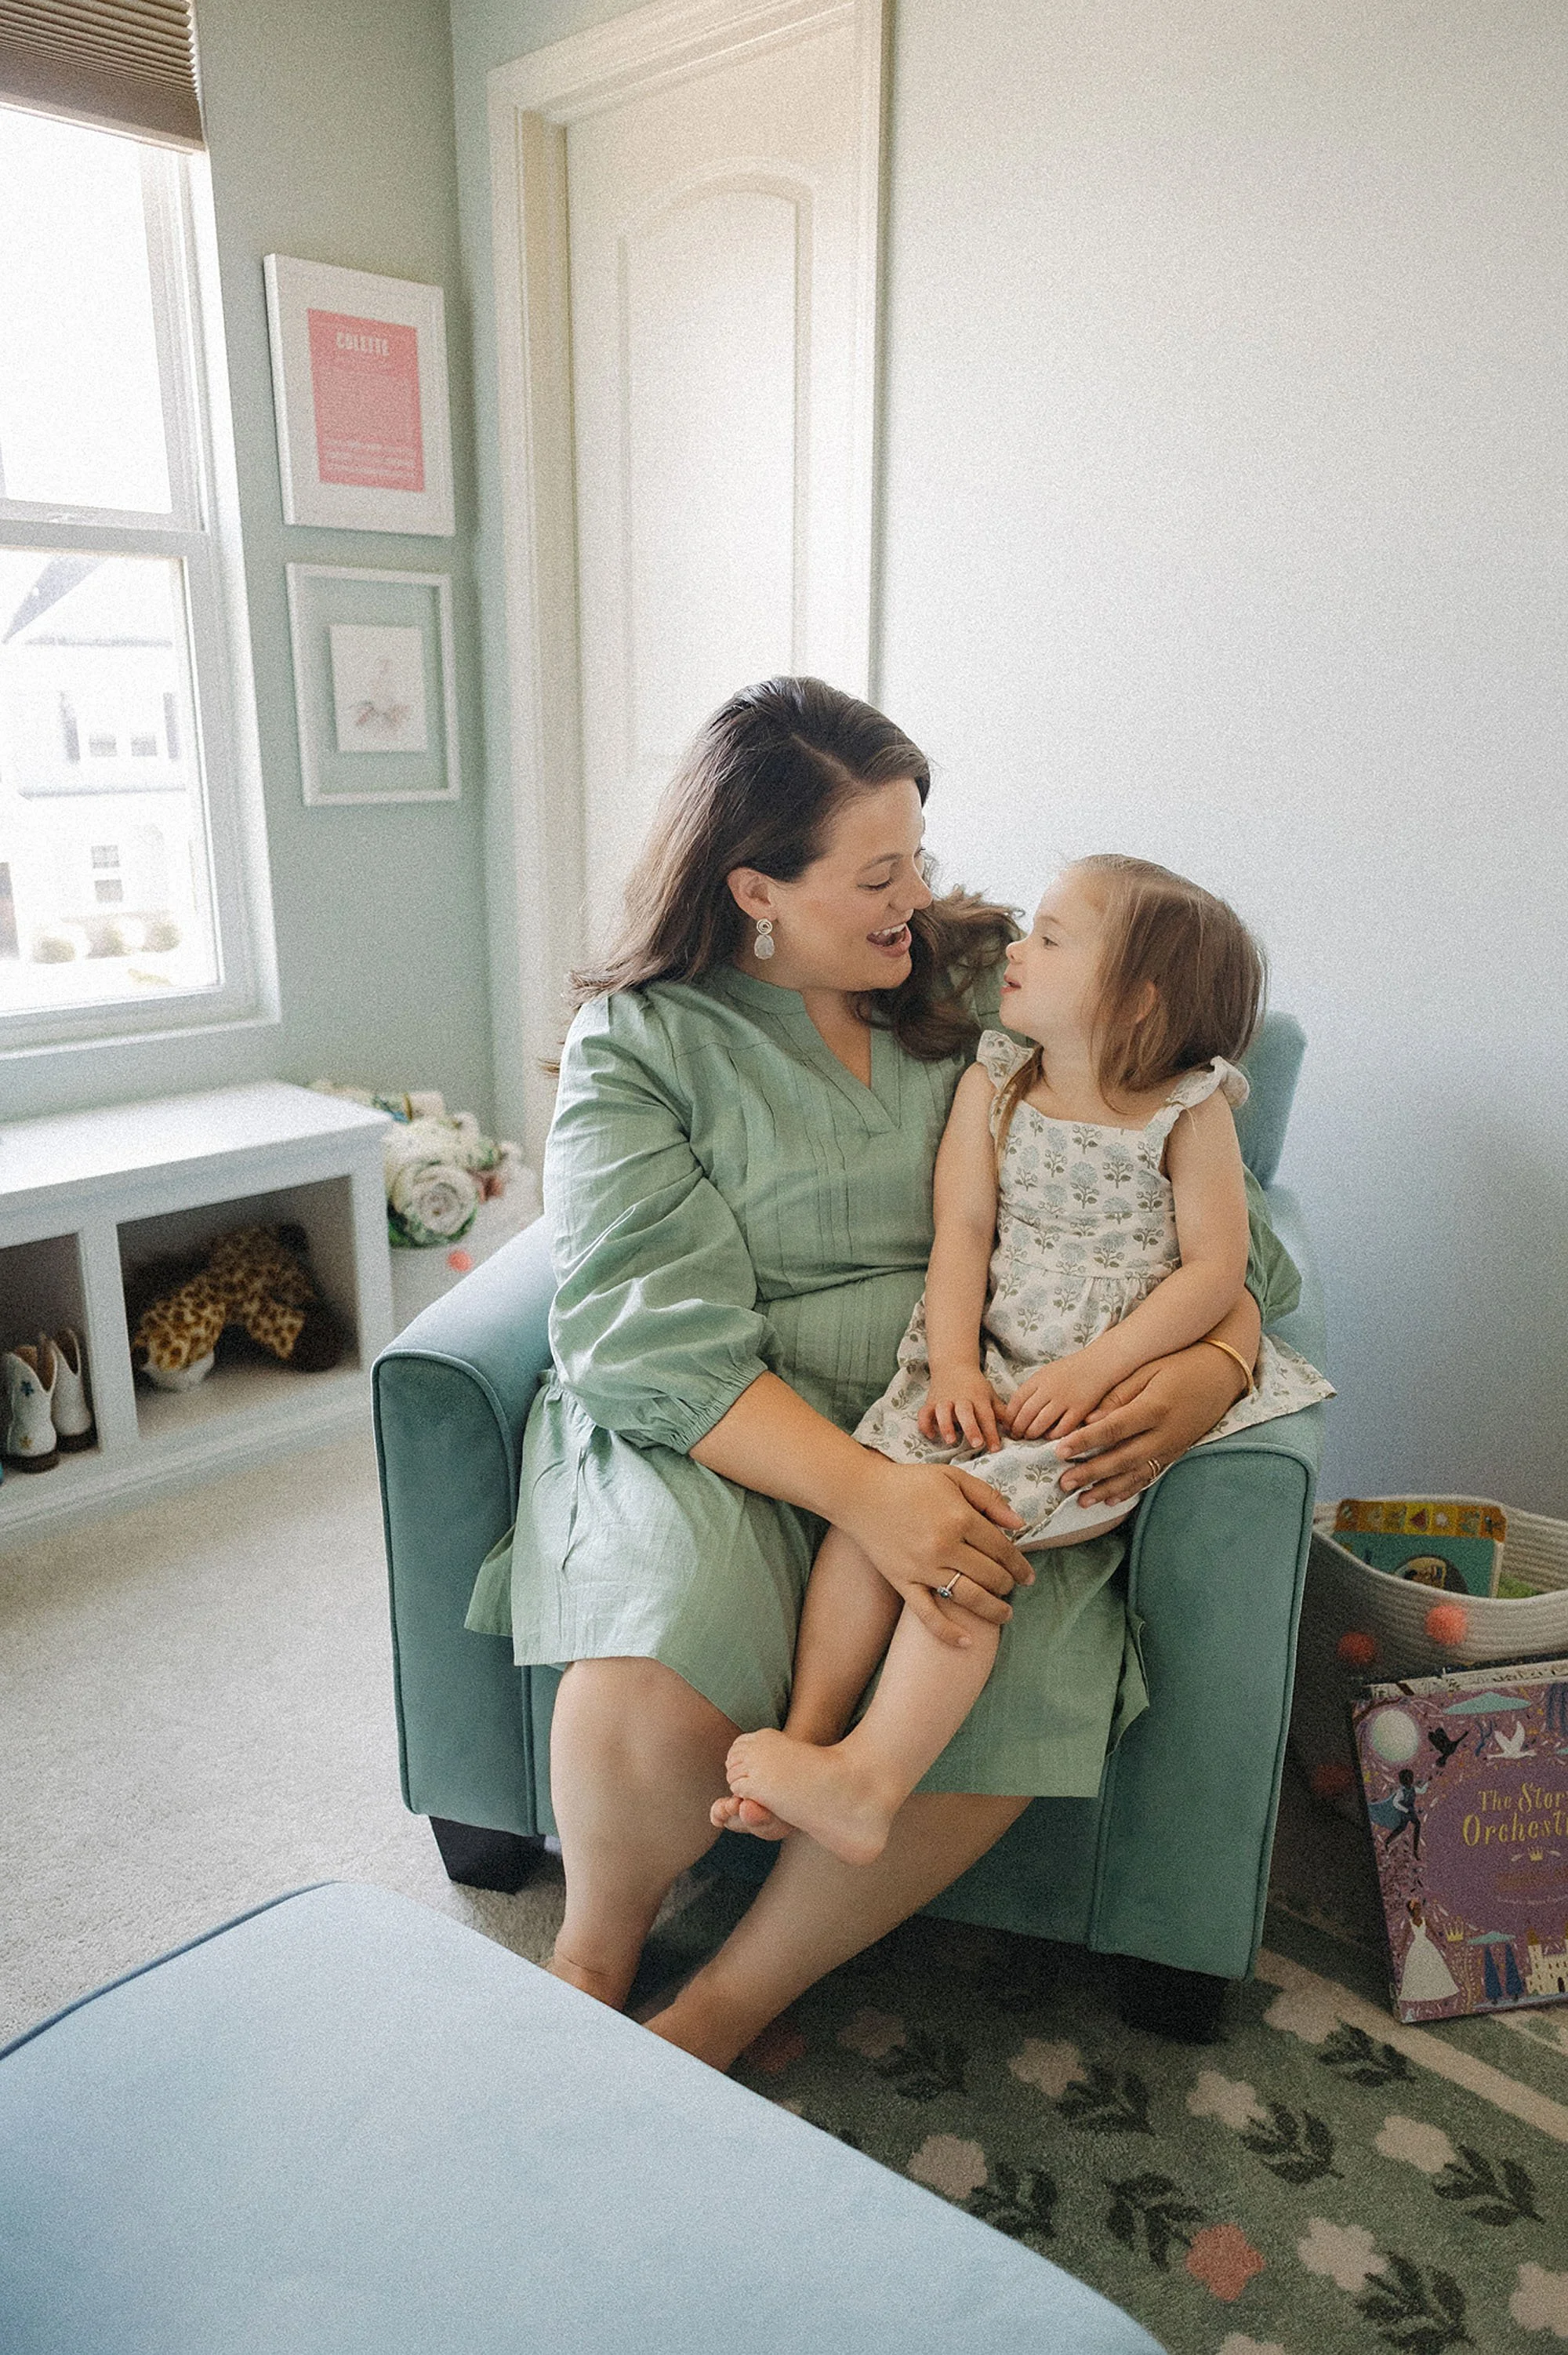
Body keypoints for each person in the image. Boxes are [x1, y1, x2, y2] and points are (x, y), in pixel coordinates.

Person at [464, 677, 1305, 2070]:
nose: (918, 893)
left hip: (981, 1414)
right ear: (756, 891)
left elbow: (1210, 1230)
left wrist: (1212, 1369)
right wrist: (869, 1494)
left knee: (1010, 1631)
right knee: (659, 1662)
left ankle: (729, 2000)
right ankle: (594, 1941)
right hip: (731, 1421)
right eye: (876, 872)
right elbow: (642, 1333)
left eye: (916, 851)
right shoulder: (644, 1047)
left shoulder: (988, 982)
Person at [712, 857, 1332, 1865]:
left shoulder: (1189, 1107)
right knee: (872, 1517)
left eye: (1050, 938)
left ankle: (870, 1779)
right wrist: (953, 1365)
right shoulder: (996, 1080)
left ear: (1132, 998)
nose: (1015, 950)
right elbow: (961, 1229)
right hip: (986, 1370)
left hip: (1102, 1390)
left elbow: (1216, 1271)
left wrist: (1094, 1372)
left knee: (963, 1562)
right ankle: (809, 1741)